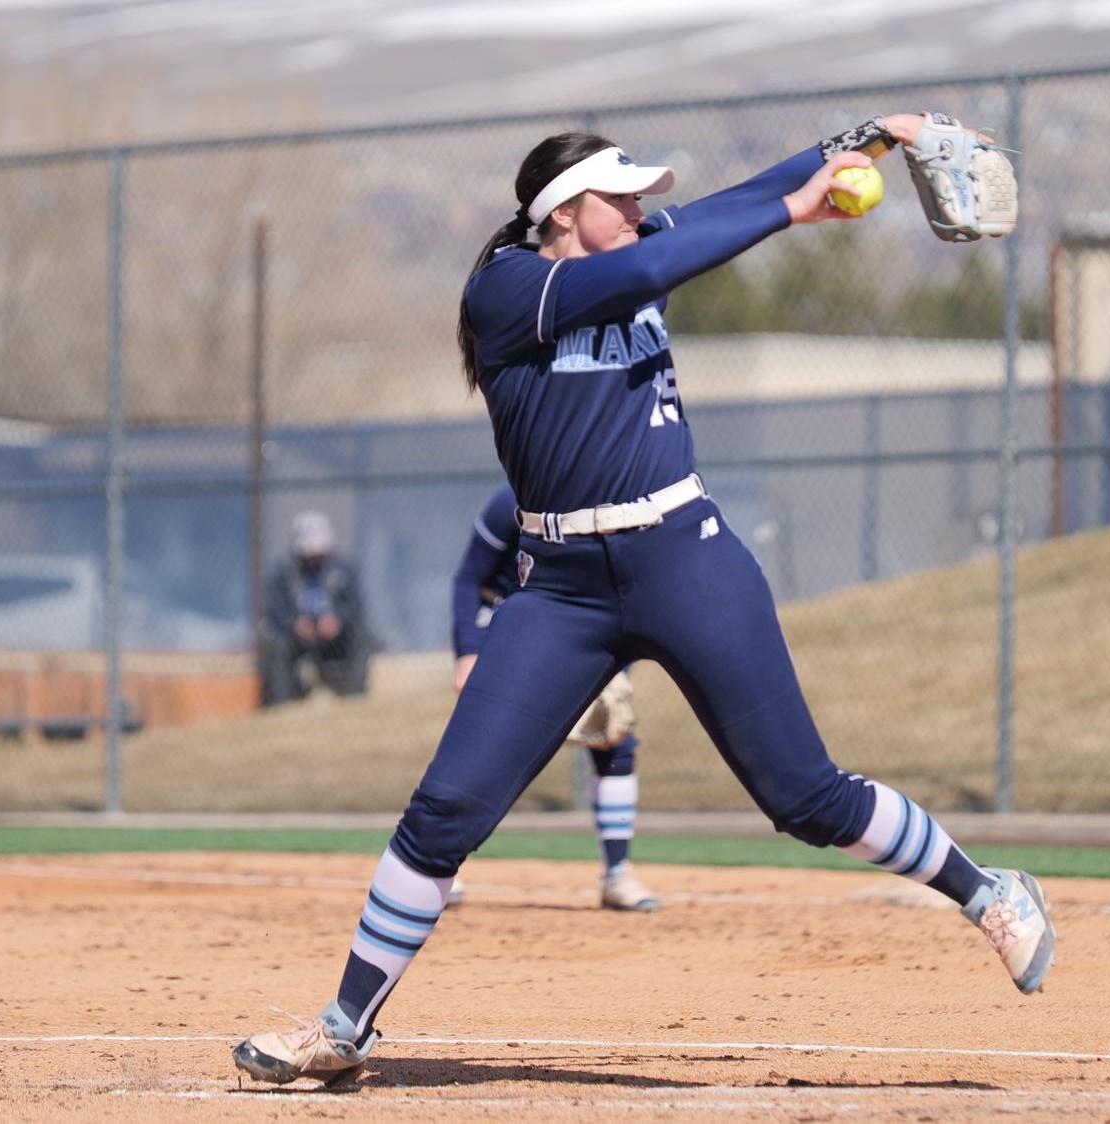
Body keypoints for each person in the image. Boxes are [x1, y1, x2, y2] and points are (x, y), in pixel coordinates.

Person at [233, 113, 1055, 1087]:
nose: (637, 209)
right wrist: (795, 214)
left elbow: (737, 200)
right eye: (617, 197)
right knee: (445, 809)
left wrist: (878, 134)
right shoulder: (509, 288)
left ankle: (989, 892)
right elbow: (652, 266)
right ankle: (343, 1024)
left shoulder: (632, 247)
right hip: (561, 589)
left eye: (637, 197)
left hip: (684, 556)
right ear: (561, 214)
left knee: (803, 795)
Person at [446, 484, 661, 913]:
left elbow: (634, 590)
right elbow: (469, 578)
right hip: (511, 623)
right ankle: (438, 865)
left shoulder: (618, 506)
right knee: (483, 750)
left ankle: (617, 874)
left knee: (614, 741)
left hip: (579, 626)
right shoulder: (512, 501)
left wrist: (621, 662)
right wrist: (467, 650)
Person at [257, 510, 370, 705]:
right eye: (310, 554)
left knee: (361, 638)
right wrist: (295, 624)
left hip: (334, 640)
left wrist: (337, 620)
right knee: (277, 646)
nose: (315, 559)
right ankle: (281, 704)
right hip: (298, 640)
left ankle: (355, 699)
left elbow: (356, 606)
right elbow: (275, 610)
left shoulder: (344, 570)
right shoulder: (283, 573)